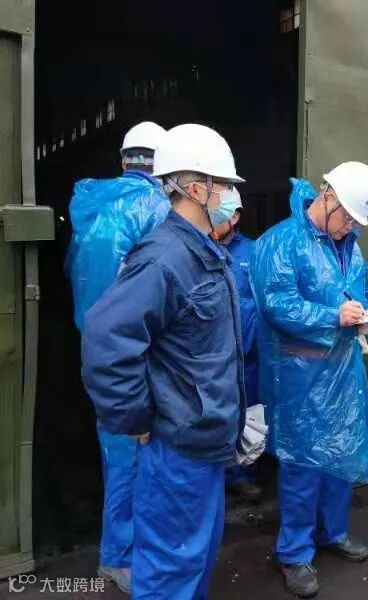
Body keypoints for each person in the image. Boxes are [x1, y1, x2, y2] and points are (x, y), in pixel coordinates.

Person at [81, 123, 247, 599]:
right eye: (225, 185)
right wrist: (135, 417)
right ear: (196, 189)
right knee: (171, 572)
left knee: (195, 563)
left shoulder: (204, 251)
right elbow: (107, 339)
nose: (231, 195)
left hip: (205, 443)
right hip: (177, 449)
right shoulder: (164, 257)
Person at [250, 162, 368, 598]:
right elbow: (276, 305)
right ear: (327, 197)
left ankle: (332, 531)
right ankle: (294, 552)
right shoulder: (282, 242)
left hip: (341, 368)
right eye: (348, 217)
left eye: (356, 221)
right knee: (303, 464)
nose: (350, 227)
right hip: (300, 374)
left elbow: (353, 294)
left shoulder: (349, 246)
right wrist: (332, 316)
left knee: (340, 455)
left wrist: (363, 314)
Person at [65, 120, 168, 594]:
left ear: (123, 160)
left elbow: (76, 273)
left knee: (117, 450)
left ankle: (119, 550)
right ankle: (123, 556)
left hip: (97, 348)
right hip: (139, 351)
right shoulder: (157, 207)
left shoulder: (92, 207)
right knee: (139, 456)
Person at [212, 189, 264, 502]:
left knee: (248, 417)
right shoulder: (198, 248)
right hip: (212, 357)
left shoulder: (253, 253)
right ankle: (215, 476)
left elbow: (265, 303)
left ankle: (243, 475)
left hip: (247, 356)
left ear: (235, 216)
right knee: (215, 416)